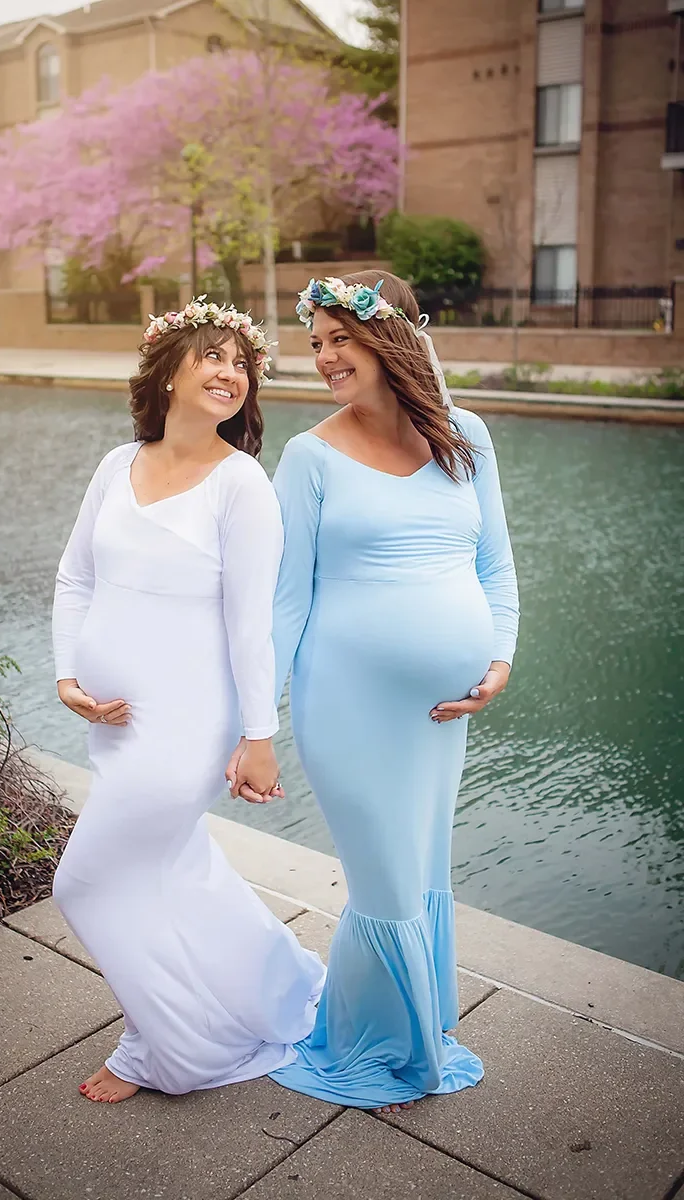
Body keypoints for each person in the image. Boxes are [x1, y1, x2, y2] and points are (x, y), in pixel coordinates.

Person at [230, 271, 518, 1113]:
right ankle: (388, 1049)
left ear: (387, 337)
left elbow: (495, 564)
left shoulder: (467, 435)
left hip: (442, 715)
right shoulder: (310, 457)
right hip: (346, 706)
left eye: (336, 338)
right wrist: (258, 726)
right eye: (314, 342)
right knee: (386, 879)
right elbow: (284, 602)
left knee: (422, 866)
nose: (321, 357)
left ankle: (404, 1029)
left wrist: (499, 657)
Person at [52, 298, 324, 1104]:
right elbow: (76, 577)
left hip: (186, 732)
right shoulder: (116, 464)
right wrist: (68, 674)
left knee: (84, 885)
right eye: (211, 355)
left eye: (241, 362)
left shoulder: (242, 487)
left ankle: (161, 1044)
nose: (228, 372)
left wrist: (259, 735)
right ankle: (277, 984)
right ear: (167, 371)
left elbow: (251, 626)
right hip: (116, 726)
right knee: (173, 869)